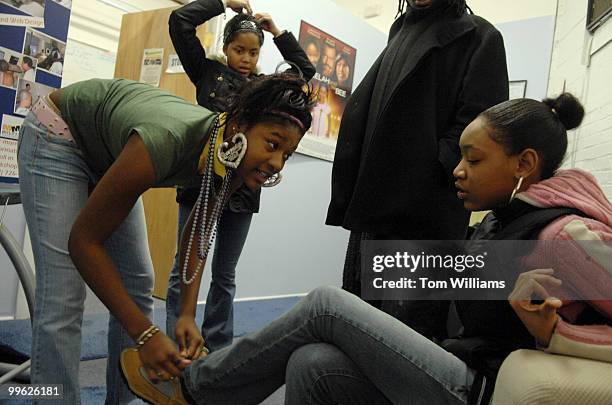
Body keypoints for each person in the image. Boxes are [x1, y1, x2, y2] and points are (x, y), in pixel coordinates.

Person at [120, 93, 612, 405]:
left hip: (482, 388)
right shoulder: (504, 224)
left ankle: (195, 388)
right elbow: (454, 290)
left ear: (525, 162)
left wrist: (558, 333)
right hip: (462, 364)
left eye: (473, 158)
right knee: (310, 361)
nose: (457, 170)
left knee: (324, 304)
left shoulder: (564, 237)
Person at [17, 74, 313, 404]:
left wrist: (186, 314)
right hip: (58, 134)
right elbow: (83, 243)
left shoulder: (229, 157)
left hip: (107, 153)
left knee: (138, 280)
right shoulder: (165, 140)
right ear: (239, 126)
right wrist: (145, 334)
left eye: (286, 154)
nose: (276, 163)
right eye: (272, 145)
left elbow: (199, 230)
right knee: (63, 298)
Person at [326, 0, 509, 338]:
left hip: (425, 216)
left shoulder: (480, 36)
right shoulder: (400, 30)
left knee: (405, 338)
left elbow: (481, 131)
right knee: (359, 325)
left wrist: (426, 170)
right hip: (375, 211)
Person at [167, 0, 315, 352]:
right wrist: (221, 3)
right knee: (183, 267)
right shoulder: (206, 72)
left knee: (224, 274)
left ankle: (217, 347)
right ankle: (177, 336)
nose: (246, 58)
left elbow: (304, 72)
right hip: (201, 184)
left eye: (253, 52)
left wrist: (278, 33)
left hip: (243, 192)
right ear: (225, 48)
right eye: (239, 50)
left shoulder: (265, 88)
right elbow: (179, 20)